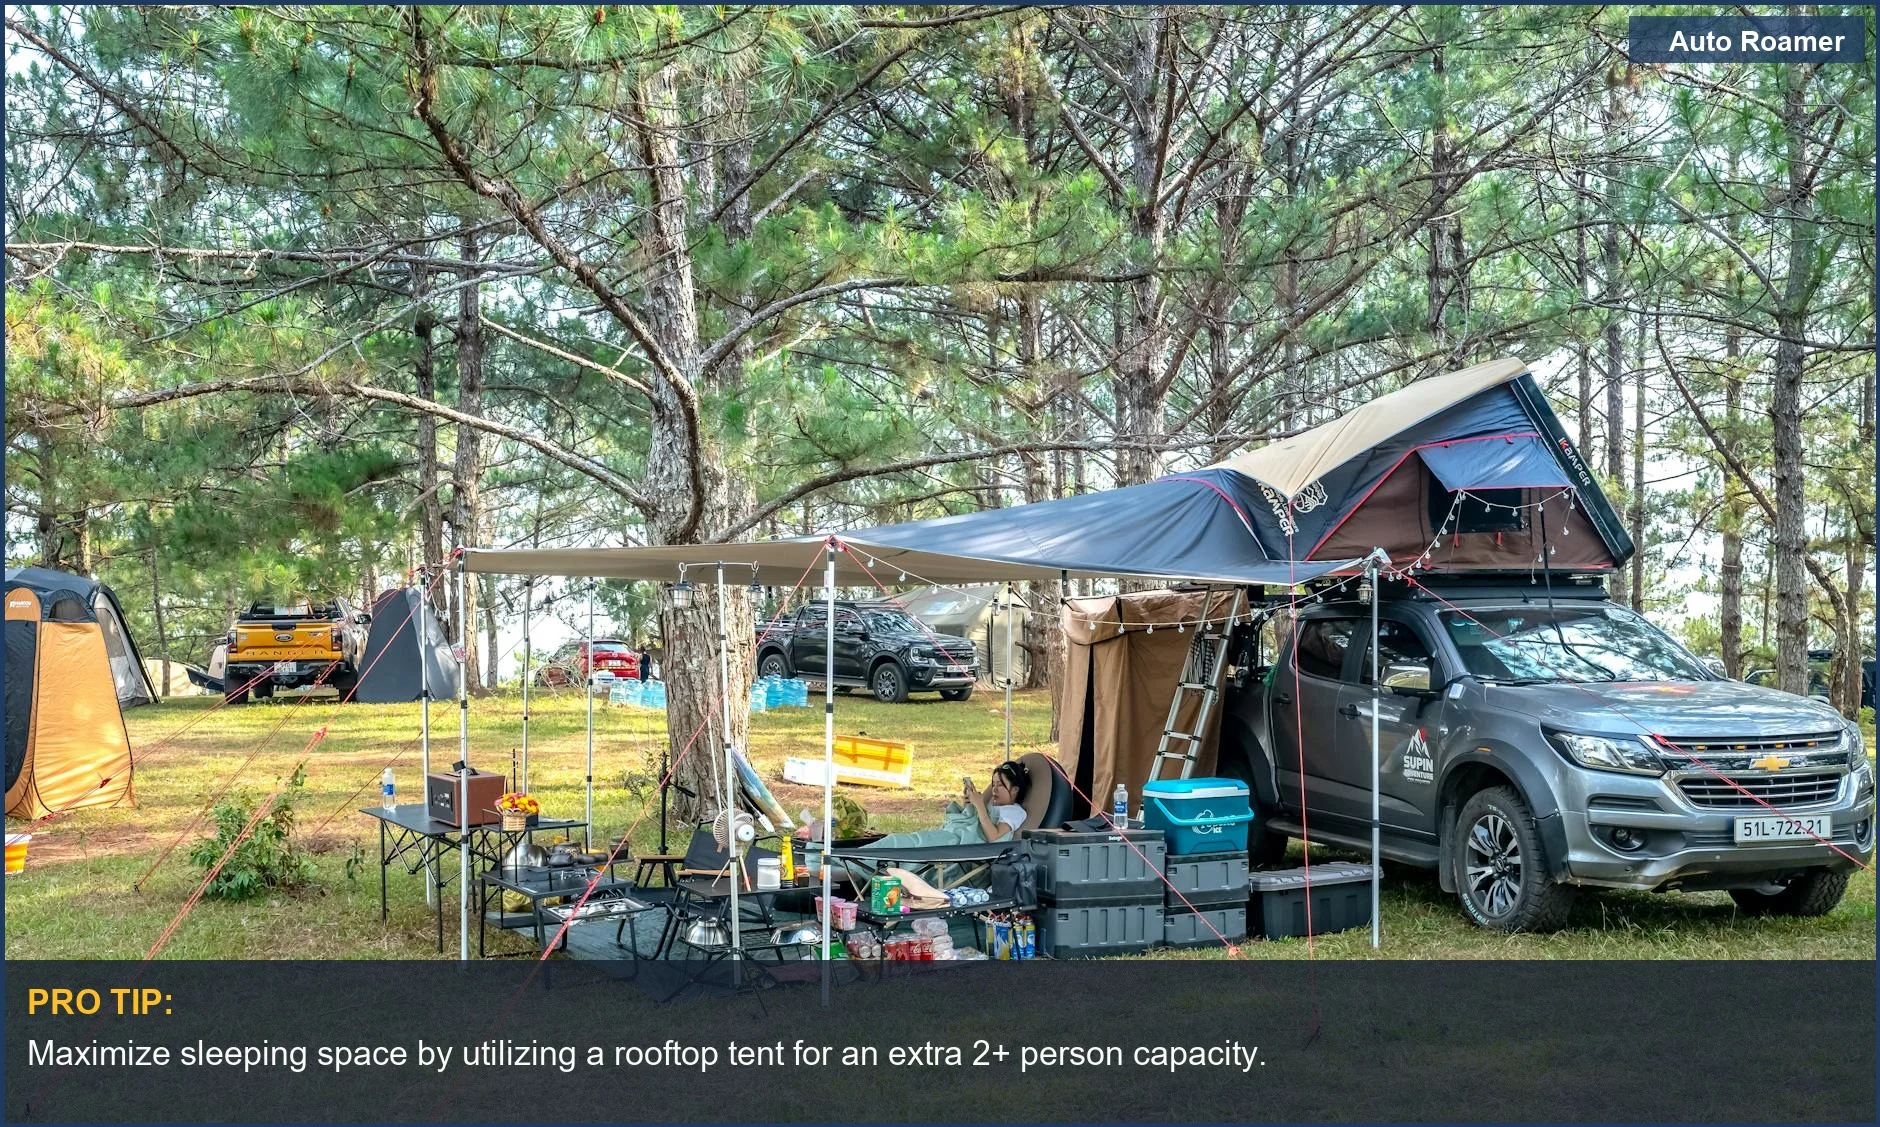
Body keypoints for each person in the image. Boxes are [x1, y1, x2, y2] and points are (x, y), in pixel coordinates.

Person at [796, 759, 1030, 848]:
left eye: (1000, 784)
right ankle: (846, 859)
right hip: (952, 836)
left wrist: (979, 806)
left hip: (960, 845)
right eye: (993, 783)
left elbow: (995, 838)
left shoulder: (1014, 812)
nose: (995, 789)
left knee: (901, 843)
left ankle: (846, 860)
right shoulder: (994, 806)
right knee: (904, 840)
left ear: (1016, 789)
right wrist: (970, 803)